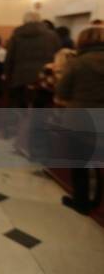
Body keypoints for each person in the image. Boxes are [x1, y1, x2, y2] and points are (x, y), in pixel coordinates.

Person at [56, 26, 104, 215]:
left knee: (79, 162)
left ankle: (81, 200)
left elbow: (62, 91)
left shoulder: (78, 63)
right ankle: (97, 200)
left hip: (80, 119)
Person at [4, 12, 61, 107]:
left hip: (20, 75)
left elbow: (10, 57)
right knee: (41, 107)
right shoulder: (52, 35)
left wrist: (7, 75)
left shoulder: (17, 35)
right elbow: (58, 55)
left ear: (24, 21)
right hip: (44, 75)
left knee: (21, 104)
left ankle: (22, 120)